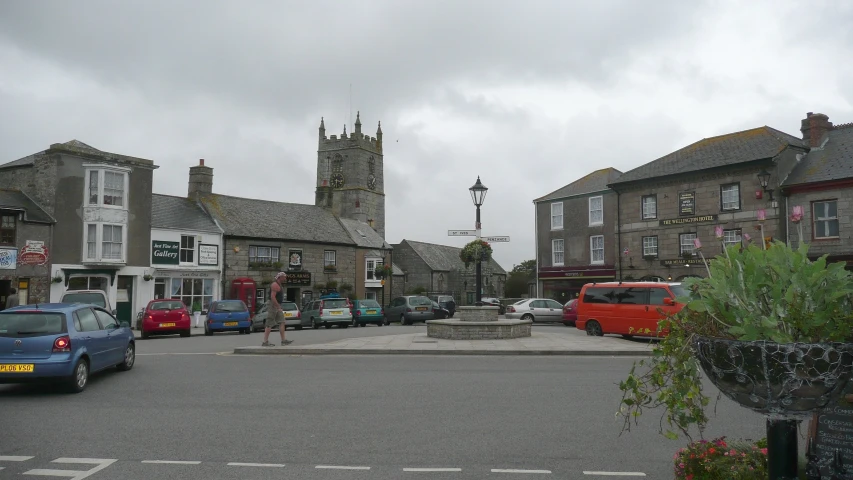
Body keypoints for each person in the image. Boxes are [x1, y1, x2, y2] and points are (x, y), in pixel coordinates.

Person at [262, 272, 292, 347]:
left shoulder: (279, 285)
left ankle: (283, 341)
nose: (285, 278)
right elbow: (272, 297)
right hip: (273, 304)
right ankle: (265, 341)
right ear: (280, 277)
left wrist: (279, 306)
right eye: (284, 277)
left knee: (282, 321)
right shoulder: (275, 285)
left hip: (277, 304)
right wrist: (278, 307)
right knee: (269, 322)